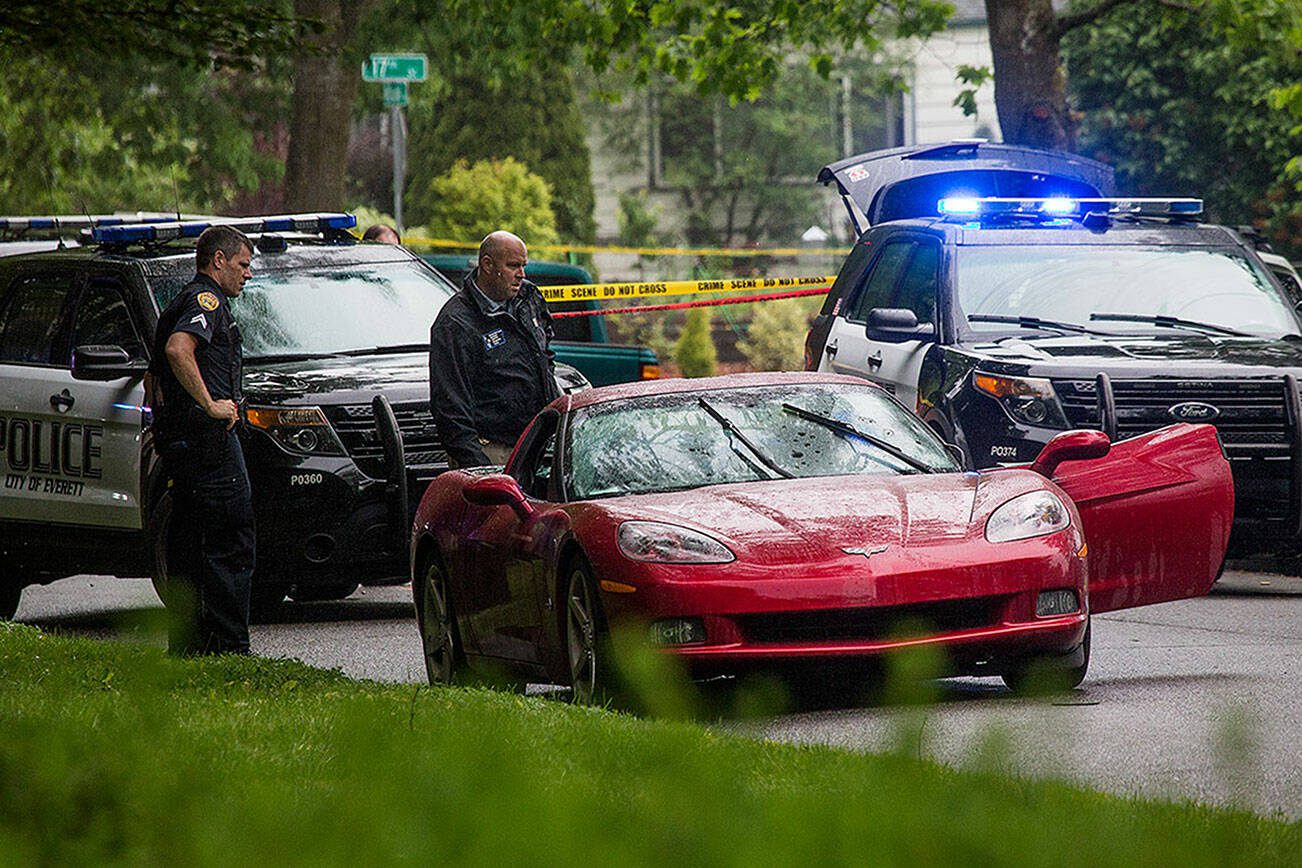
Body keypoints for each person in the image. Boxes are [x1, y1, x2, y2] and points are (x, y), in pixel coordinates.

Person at [149, 225, 256, 656]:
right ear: (218, 261)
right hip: (208, 442)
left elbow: (153, 375)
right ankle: (229, 647)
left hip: (183, 443)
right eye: (243, 265)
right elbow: (178, 350)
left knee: (188, 544)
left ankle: (189, 647)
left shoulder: (177, 301)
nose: (248, 274)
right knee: (232, 537)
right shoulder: (205, 301)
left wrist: (166, 424)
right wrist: (210, 404)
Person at [430, 230, 558, 468]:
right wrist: (478, 467)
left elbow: (546, 353)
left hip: (536, 444)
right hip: (491, 451)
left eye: (523, 266)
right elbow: (450, 407)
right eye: (513, 266)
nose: (521, 274)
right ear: (487, 265)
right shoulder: (456, 323)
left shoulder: (528, 298)